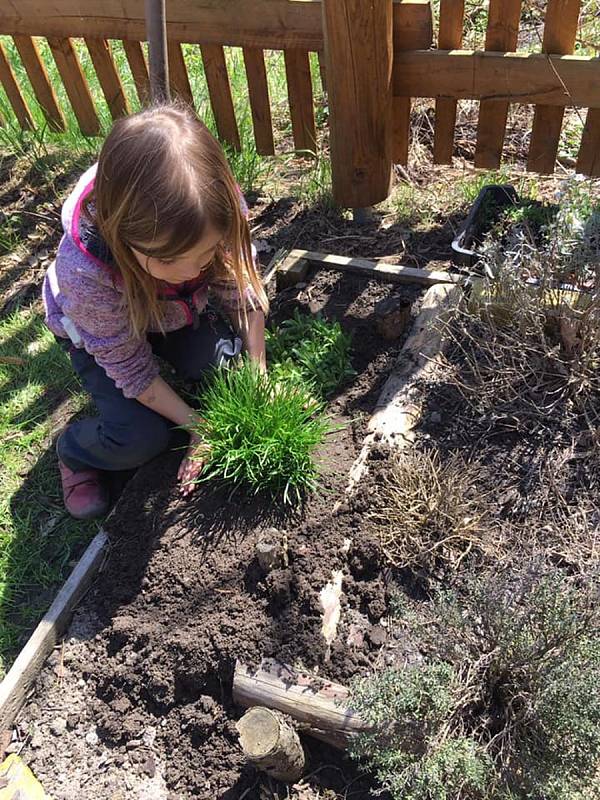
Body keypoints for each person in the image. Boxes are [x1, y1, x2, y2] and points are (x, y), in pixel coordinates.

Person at [42, 103, 268, 520]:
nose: (193, 270)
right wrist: (198, 426)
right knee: (143, 439)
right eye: (170, 260)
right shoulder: (85, 273)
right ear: (120, 233)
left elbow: (242, 289)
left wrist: (259, 372)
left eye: (205, 254)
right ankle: (74, 451)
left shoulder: (211, 203)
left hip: (172, 314)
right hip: (103, 335)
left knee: (227, 369)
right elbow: (129, 365)